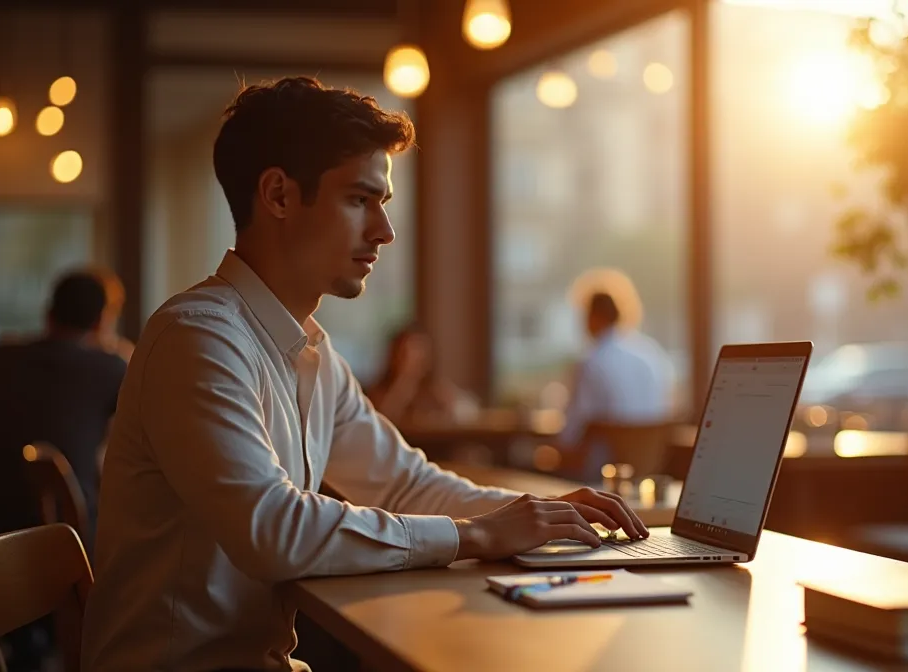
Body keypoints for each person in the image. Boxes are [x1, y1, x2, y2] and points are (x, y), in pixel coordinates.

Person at [80, 76, 647, 672]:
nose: (384, 230)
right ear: (277, 195)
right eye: (359, 199)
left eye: (383, 203)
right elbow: (272, 529)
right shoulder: (198, 339)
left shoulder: (312, 355)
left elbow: (406, 485)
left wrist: (543, 517)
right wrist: (477, 535)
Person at [0, 270, 127, 671]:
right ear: (101, 320)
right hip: (68, 532)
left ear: (49, 313)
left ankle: (31, 634)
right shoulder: (108, 367)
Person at [557, 270, 674, 480]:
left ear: (592, 317)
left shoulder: (591, 361)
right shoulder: (651, 354)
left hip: (601, 474)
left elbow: (572, 432)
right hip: (648, 469)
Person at [365, 322, 477, 424]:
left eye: (417, 354)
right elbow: (378, 422)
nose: (410, 360)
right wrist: (402, 385)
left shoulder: (436, 391)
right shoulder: (377, 394)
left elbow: (468, 411)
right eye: (404, 354)